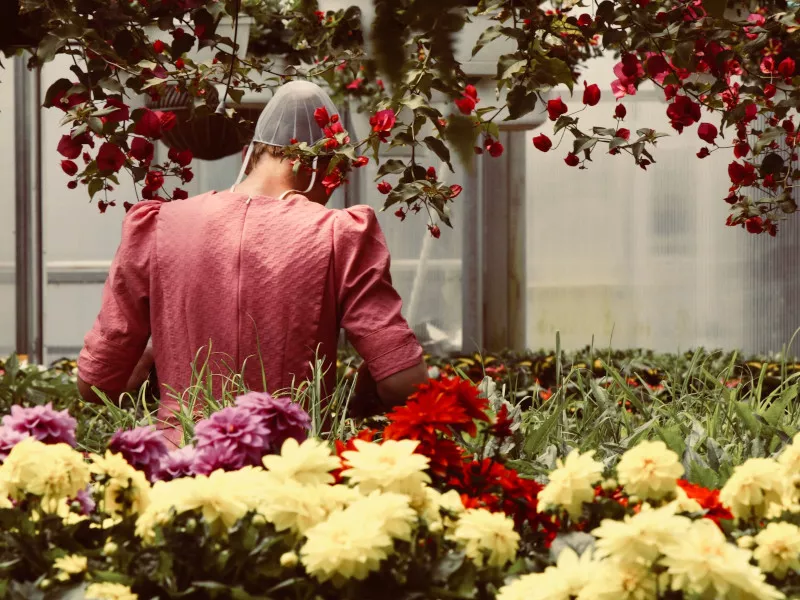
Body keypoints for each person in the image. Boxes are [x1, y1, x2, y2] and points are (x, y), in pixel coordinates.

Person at [77, 80, 427, 444]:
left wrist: (164, 360)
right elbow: (405, 382)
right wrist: (354, 396)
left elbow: (95, 384)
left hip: (179, 469)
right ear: (316, 163)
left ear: (253, 153)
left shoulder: (159, 224)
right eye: (337, 175)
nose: (333, 189)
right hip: (290, 470)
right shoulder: (339, 233)